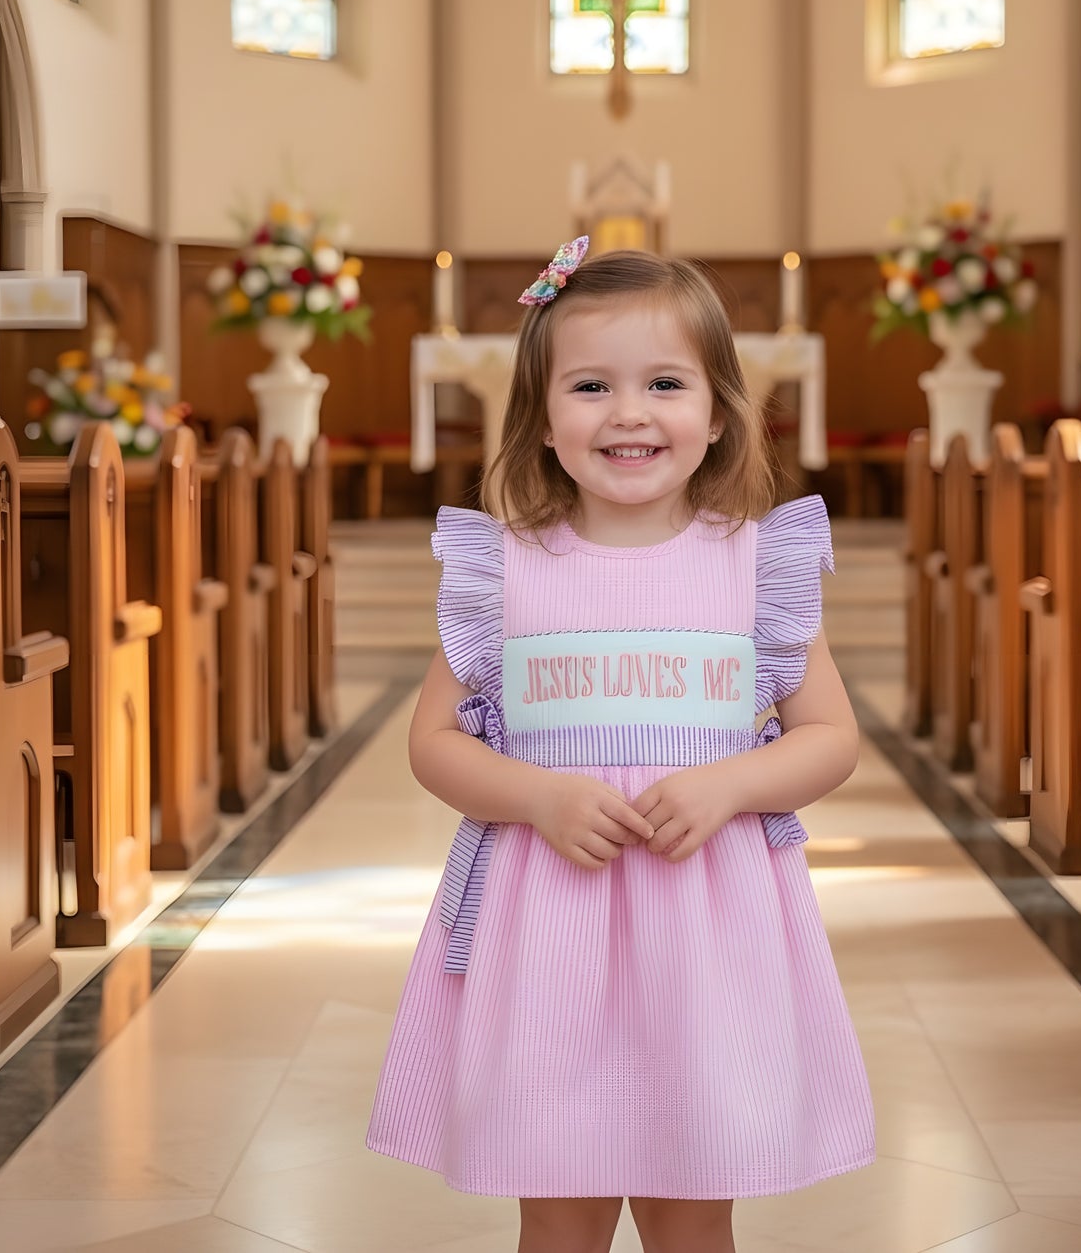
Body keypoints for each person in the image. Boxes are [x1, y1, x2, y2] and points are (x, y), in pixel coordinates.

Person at [366, 243, 875, 1253]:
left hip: (706, 937)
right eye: (590, 385)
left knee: (694, 1205)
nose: (628, 412)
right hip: (548, 932)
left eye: (664, 383)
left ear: (718, 410)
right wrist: (536, 797)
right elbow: (431, 742)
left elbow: (830, 734)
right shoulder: (504, 573)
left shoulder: (750, 567)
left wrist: (735, 781)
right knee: (556, 1206)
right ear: (543, 417)